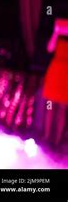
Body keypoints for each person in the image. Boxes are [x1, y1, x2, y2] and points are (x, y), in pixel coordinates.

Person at [42, 18, 68, 149]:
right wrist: (56, 33)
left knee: (62, 109)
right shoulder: (61, 26)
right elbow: (49, 48)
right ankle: (46, 137)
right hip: (56, 70)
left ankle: (57, 141)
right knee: (50, 107)